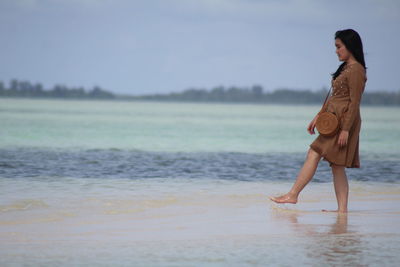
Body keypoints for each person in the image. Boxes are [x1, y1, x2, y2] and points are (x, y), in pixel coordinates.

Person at [270, 29, 367, 213]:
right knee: (336, 166)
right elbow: (335, 98)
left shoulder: (356, 70)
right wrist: (318, 116)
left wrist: (346, 129)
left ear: (350, 46)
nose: (336, 51)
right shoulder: (346, 68)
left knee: (314, 153)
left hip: (344, 122)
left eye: (339, 47)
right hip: (333, 121)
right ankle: (342, 211)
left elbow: (354, 103)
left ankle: (293, 195)